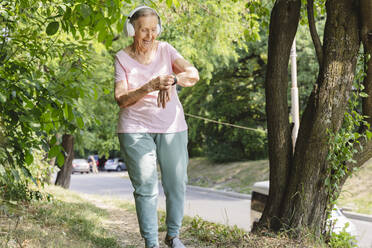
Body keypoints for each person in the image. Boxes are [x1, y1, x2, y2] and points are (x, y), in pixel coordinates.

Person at [114, 5, 199, 248]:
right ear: (132, 30)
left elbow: (193, 74)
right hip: (134, 127)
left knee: (176, 183)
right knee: (146, 187)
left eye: (153, 30)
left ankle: (173, 236)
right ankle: (151, 243)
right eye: (143, 30)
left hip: (172, 126)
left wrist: (173, 80)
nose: (149, 36)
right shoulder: (121, 58)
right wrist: (149, 86)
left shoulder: (167, 50)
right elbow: (121, 98)